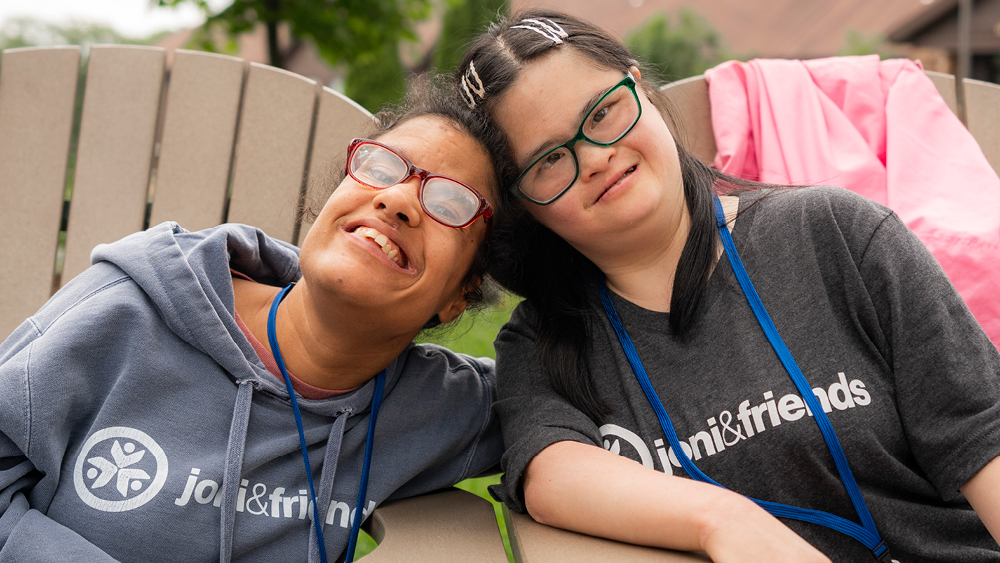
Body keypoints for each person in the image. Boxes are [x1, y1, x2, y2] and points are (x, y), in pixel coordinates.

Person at [453, 10, 1000, 563]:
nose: (595, 158)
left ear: (638, 87)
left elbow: (982, 440)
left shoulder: (836, 234)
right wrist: (722, 519)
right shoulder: (546, 344)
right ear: (524, 206)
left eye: (602, 112)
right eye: (549, 160)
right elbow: (549, 472)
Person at [0, 83, 512, 563]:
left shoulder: (444, 410)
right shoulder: (126, 313)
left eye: (451, 204)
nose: (397, 199)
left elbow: (577, 387)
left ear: (459, 297)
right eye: (380, 167)